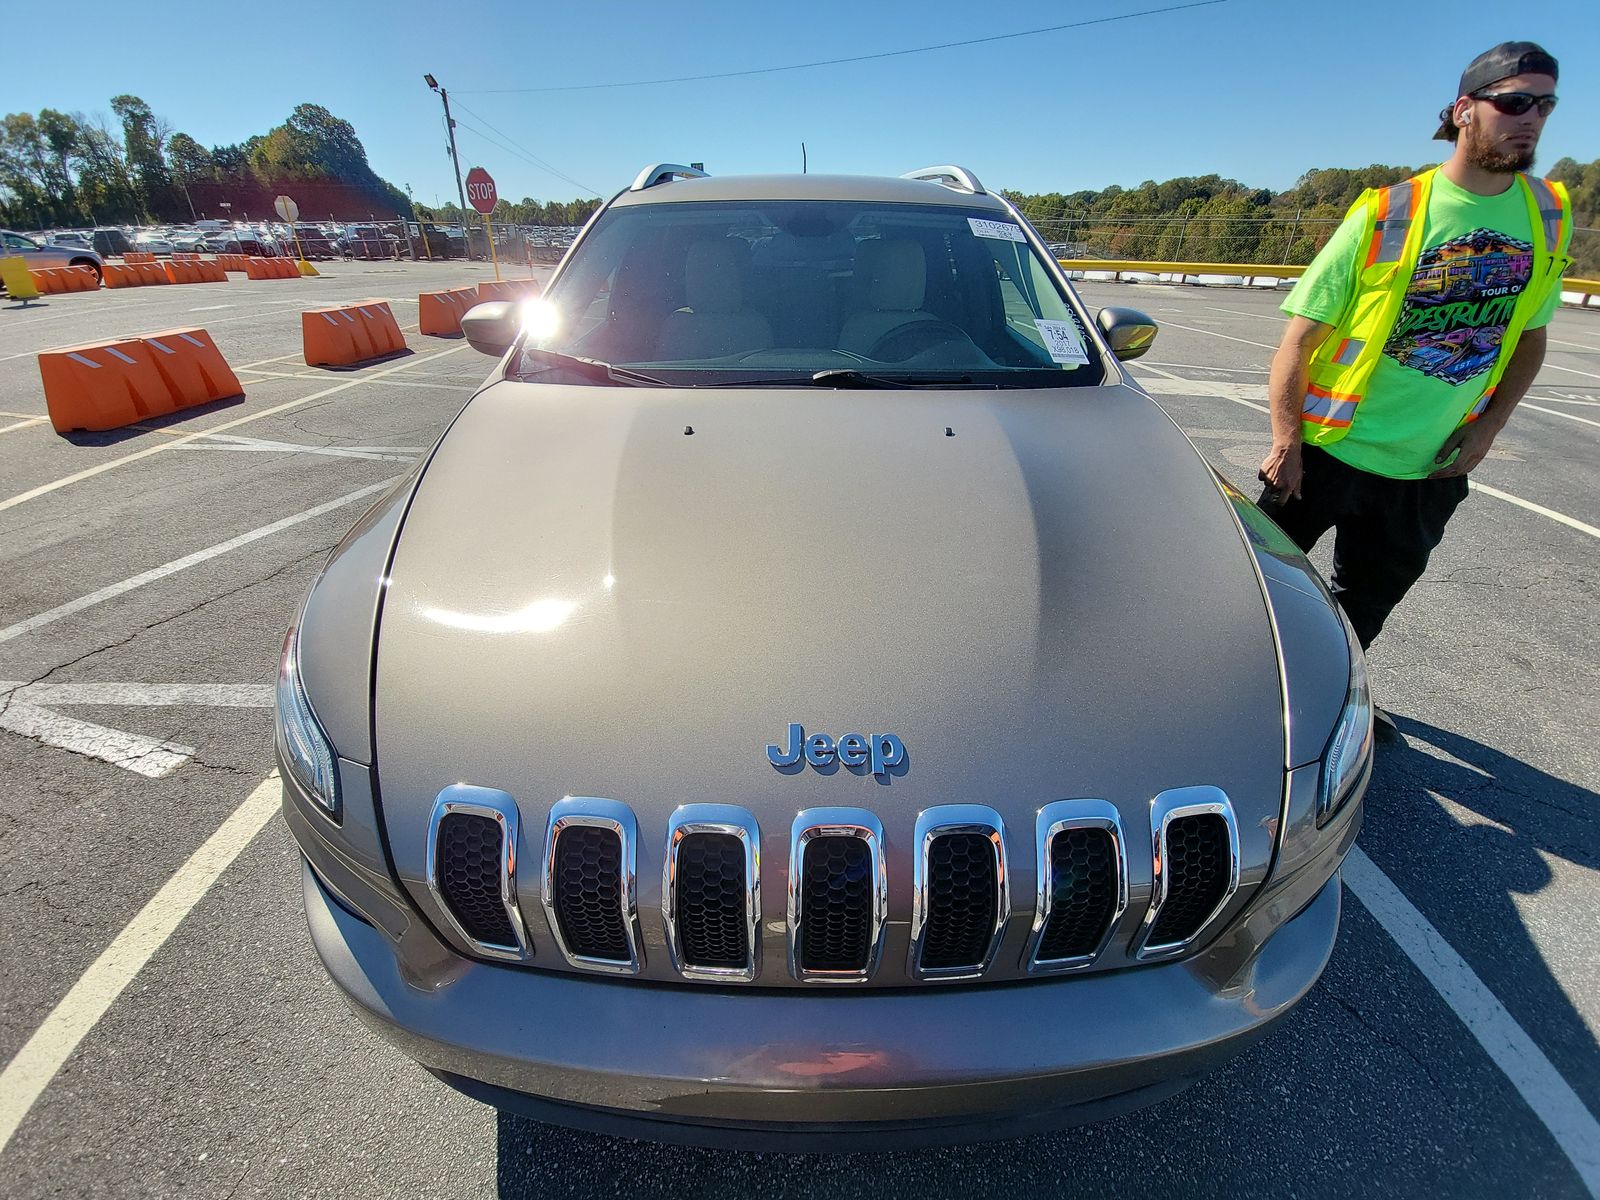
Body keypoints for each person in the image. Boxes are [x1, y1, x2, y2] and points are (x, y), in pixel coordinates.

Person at [1257, 41, 1571, 739]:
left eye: (1544, 105)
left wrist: (1486, 430)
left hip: (1428, 468)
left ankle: (1324, 710)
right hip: (1326, 452)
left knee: (1365, 603)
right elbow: (1298, 344)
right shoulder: (1391, 212)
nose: (1532, 120)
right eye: (1514, 102)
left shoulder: (1548, 214)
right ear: (1465, 110)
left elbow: (1529, 337)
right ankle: (1232, 697)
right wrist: (1286, 444)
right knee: (1259, 593)